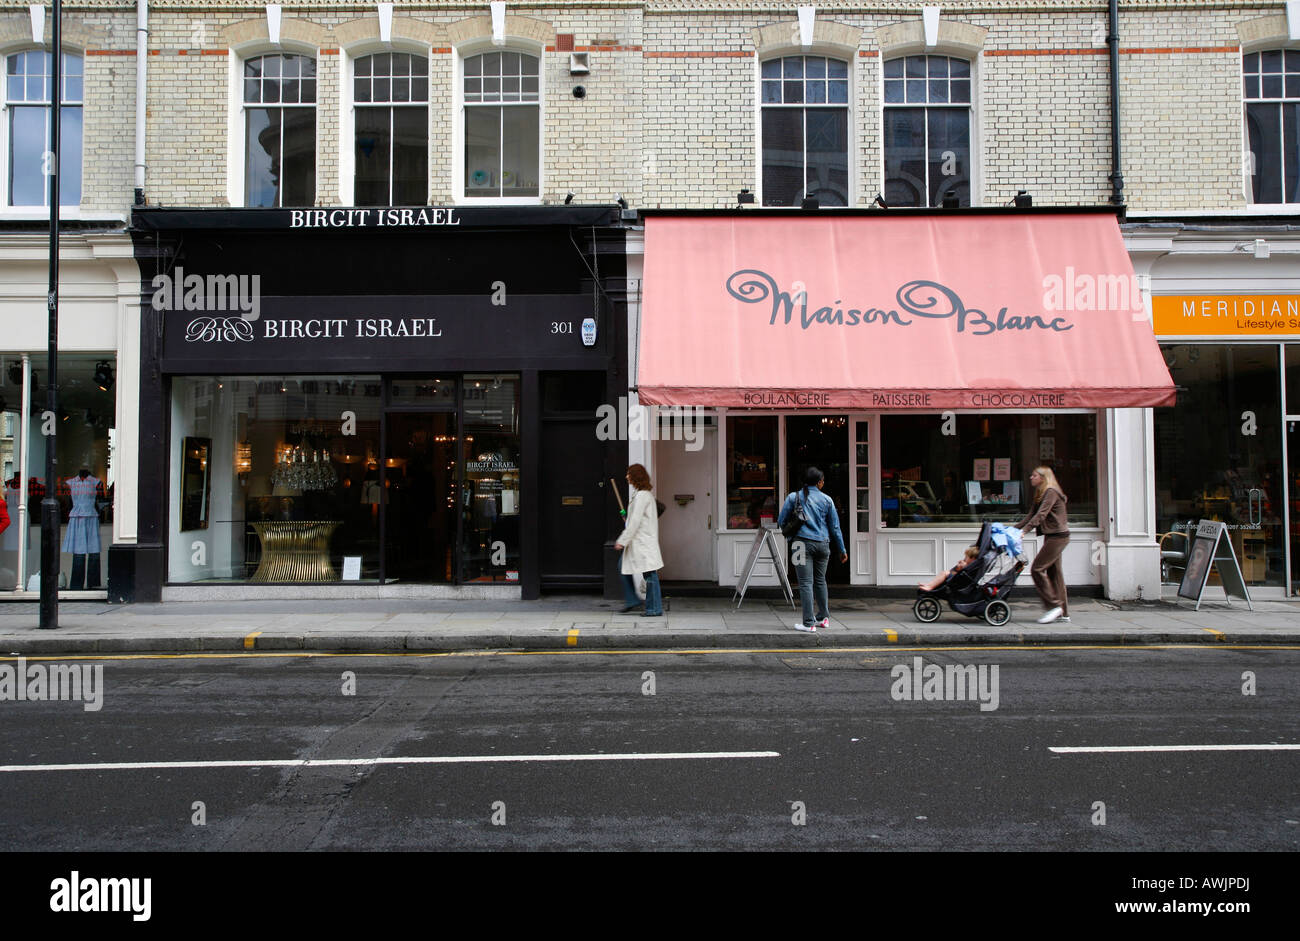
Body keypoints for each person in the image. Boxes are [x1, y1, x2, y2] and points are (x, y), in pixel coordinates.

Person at [778, 466, 847, 633]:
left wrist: (790, 535)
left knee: (805, 583)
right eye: (823, 481)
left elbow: (781, 521)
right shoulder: (827, 500)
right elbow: (835, 528)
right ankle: (823, 618)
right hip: (823, 544)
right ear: (819, 482)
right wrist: (842, 549)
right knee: (820, 581)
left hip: (800, 544)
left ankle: (808, 623)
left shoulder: (793, 497)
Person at [1015, 465, 1070, 623]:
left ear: (1043, 478)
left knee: (1037, 569)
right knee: (1055, 574)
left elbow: (1041, 515)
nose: (1031, 478)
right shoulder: (1040, 493)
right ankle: (1064, 613)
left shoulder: (1051, 492)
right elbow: (1030, 516)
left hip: (1058, 537)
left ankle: (1053, 606)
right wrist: (1012, 530)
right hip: (1052, 536)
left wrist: (1024, 531)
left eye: (1034, 475)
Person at [614, 463, 664, 617]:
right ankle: (637, 602)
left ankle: (653, 609)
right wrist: (626, 519)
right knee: (645, 574)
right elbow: (636, 520)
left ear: (636, 476)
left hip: (643, 543)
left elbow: (635, 523)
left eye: (629, 474)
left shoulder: (642, 496)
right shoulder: (643, 495)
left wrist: (622, 540)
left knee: (650, 576)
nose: (626, 476)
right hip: (642, 542)